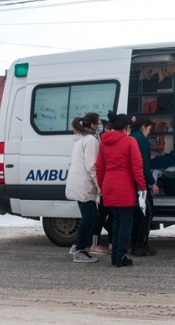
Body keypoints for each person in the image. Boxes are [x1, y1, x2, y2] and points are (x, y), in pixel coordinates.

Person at [96, 111, 146, 268]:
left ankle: (115, 255)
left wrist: (102, 185)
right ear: (127, 127)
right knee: (125, 223)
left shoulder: (104, 142)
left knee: (115, 221)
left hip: (109, 186)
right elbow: (137, 167)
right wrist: (142, 186)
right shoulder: (130, 142)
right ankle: (121, 256)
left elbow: (99, 168)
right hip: (124, 187)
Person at [65, 112, 102, 263]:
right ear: (93, 125)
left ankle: (77, 246)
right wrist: (100, 186)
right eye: (99, 123)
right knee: (90, 217)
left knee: (90, 216)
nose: (100, 125)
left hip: (79, 183)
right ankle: (80, 250)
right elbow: (92, 166)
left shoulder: (80, 140)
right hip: (85, 185)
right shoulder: (90, 141)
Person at [130, 116, 160, 256]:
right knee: (147, 213)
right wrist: (152, 182)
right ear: (143, 126)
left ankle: (134, 243)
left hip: (131, 182)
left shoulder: (130, 136)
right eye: (149, 128)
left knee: (136, 214)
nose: (149, 131)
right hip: (141, 183)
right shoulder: (141, 139)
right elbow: (144, 164)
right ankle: (141, 244)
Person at [89, 120, 113, 256]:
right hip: (105, 185)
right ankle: (107, 243)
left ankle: (97, 243)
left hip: (104, 184)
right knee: (108, 216)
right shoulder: (100, 142)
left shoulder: (100, 141)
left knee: (103, 215)